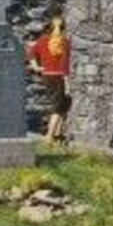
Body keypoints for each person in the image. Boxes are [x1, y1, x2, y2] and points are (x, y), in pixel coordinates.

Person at [27, 14, 71, 144]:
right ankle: (49, 136)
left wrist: (36, 67)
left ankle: (58, 134)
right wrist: (68, 84)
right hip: (59, 77)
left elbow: (31, 54)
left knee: (64, 105)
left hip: (47, 76)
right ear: (63, 28)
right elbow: (65, 65)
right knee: (57, 108)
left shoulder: (43, 40)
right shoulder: (64, 42)